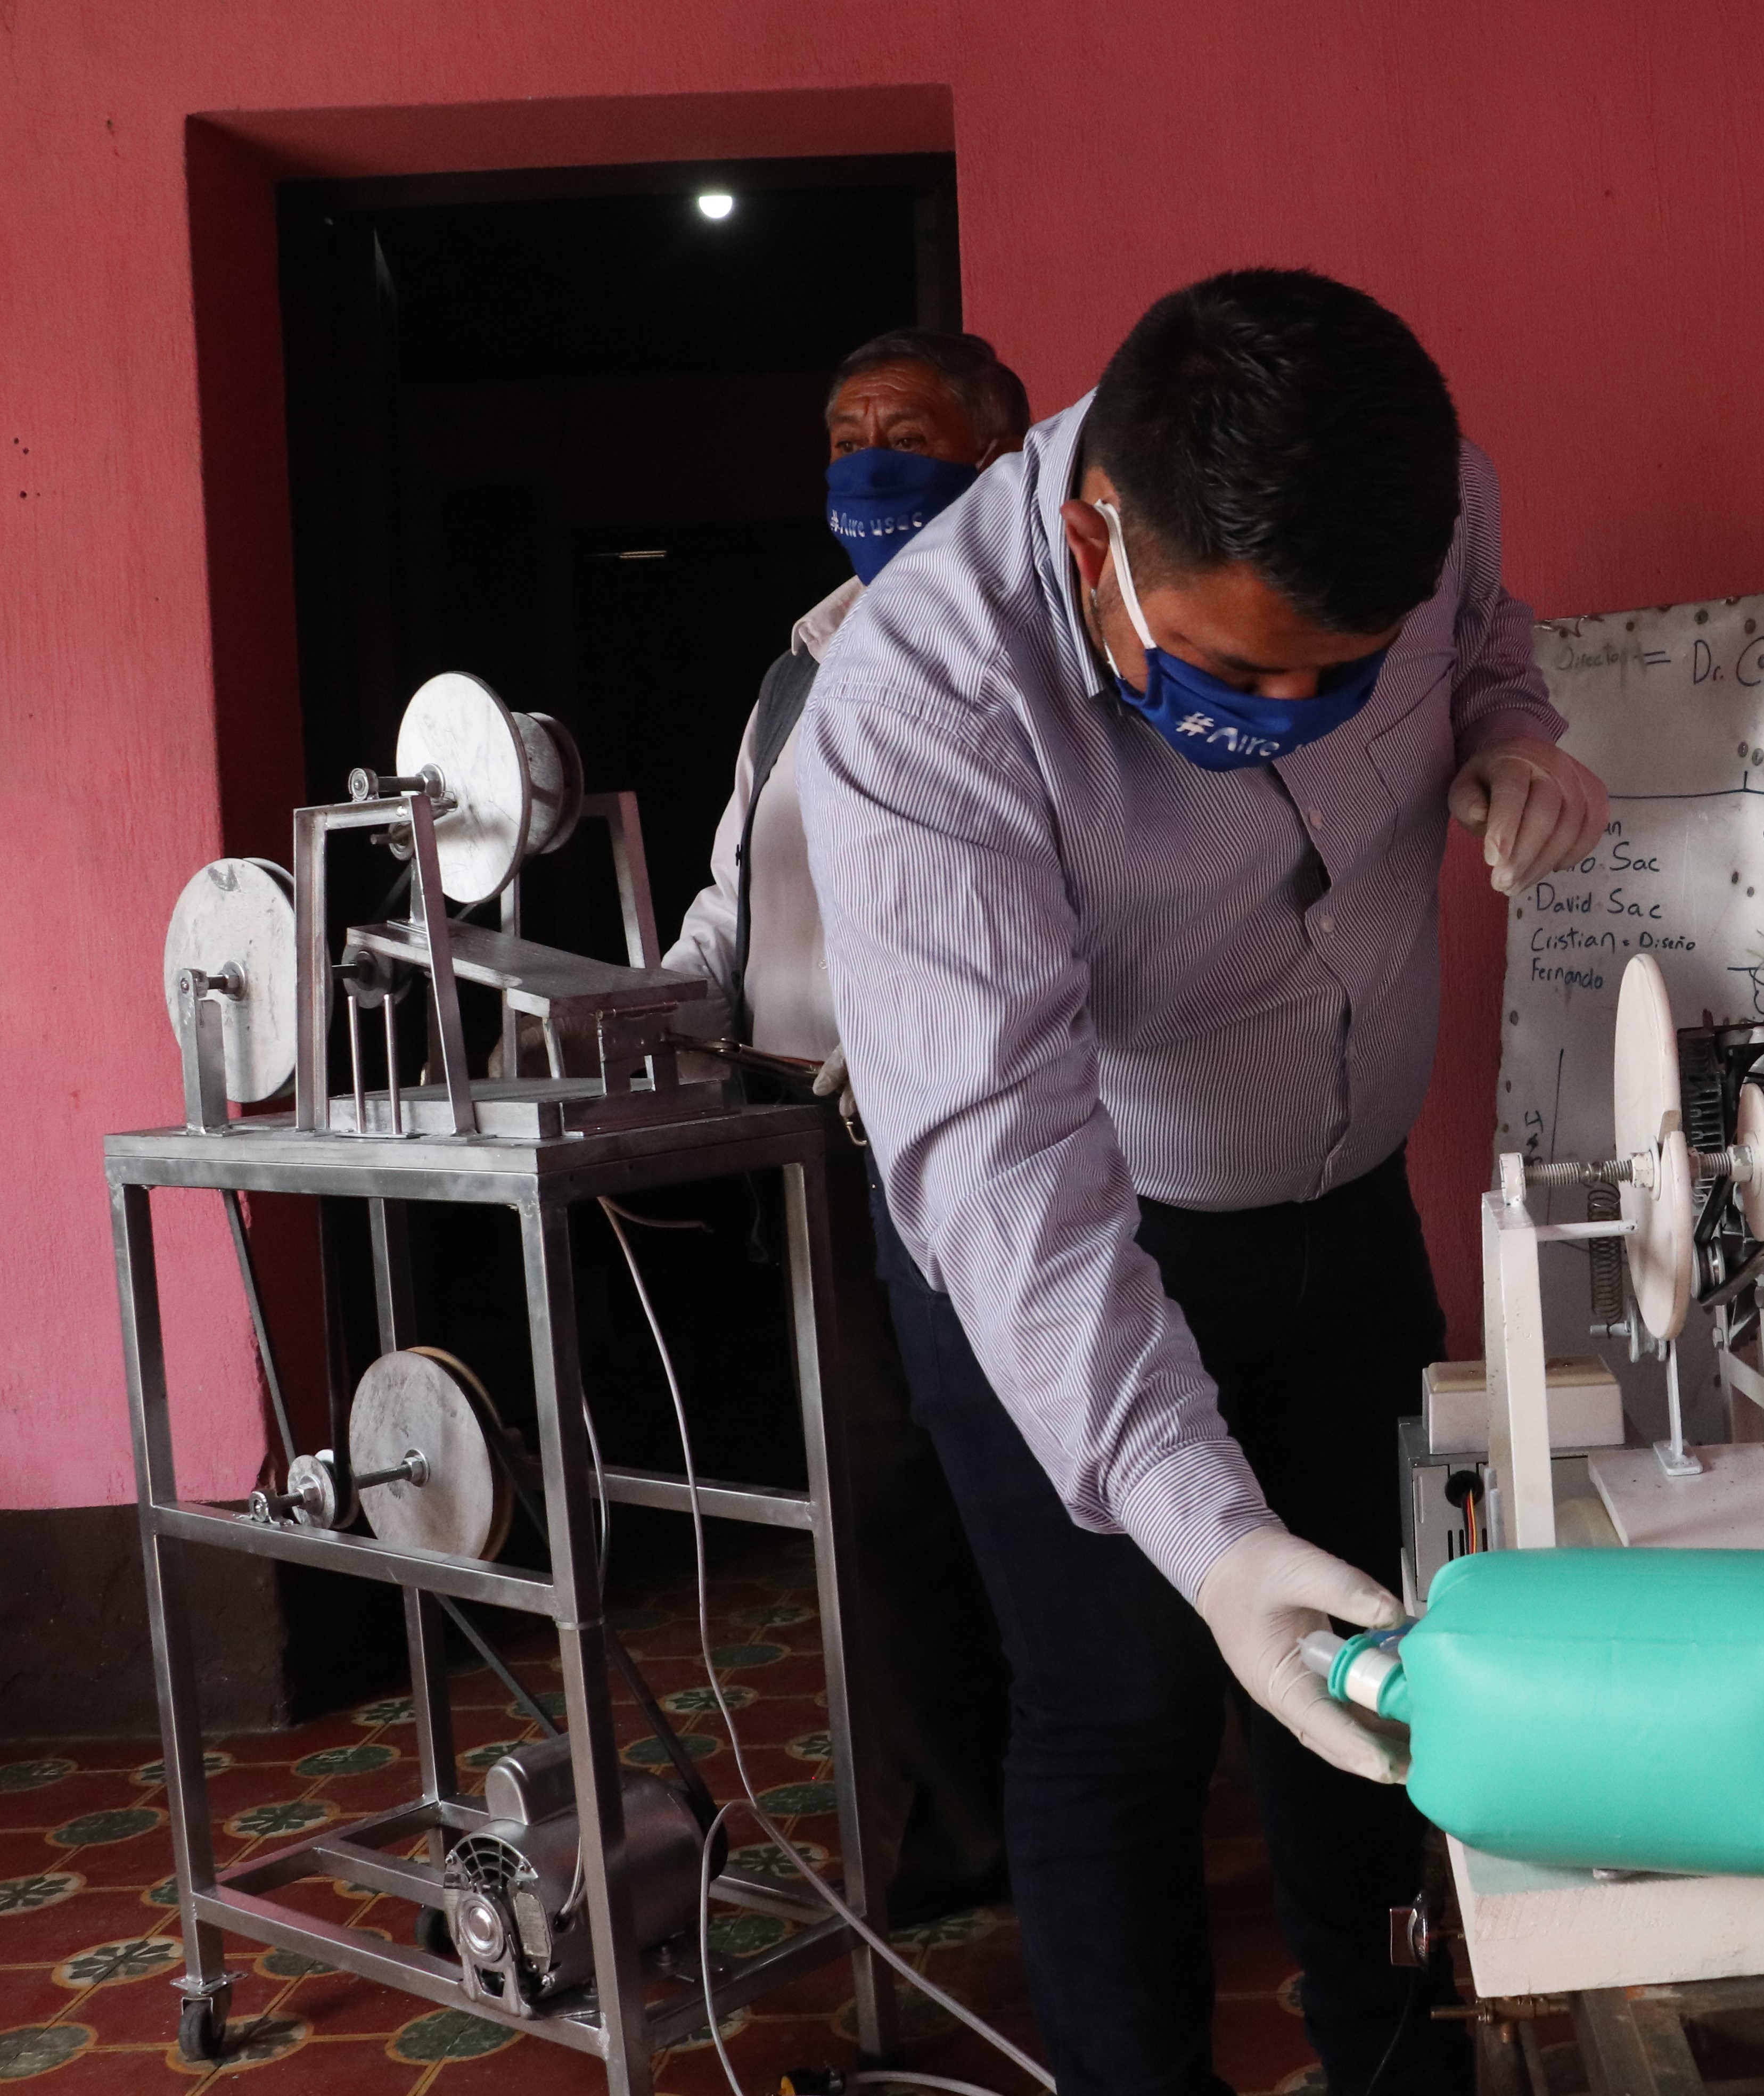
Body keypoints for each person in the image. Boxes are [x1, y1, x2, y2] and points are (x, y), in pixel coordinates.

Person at [801, 269, 1607, 2096]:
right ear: (1096, 538)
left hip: (1341, 1204)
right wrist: (1207, 1531)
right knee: (1126, 1710)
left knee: (1386, 1675)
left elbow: (1482, 634)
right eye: (1242, 676)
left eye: (1350, 672)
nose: (1308, 715)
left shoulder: (1425, 492)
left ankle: (1396, 2065)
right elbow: (1008, 1171)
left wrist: (1502, 726)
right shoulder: (920, 707)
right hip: (1076, 1244)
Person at [659, 325, 1031, 1922]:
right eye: (843, 432)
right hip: (807, 1134)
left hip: (975, 1129)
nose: (867, 460)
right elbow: (733, 897)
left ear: (1003, 458)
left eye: (908, 431)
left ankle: (1058, 1806)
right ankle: (941, 1842)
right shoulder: (800, 658)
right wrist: (644, 1005)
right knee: (871, 1499)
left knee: (1004, 1477)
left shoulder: (1038, 648)